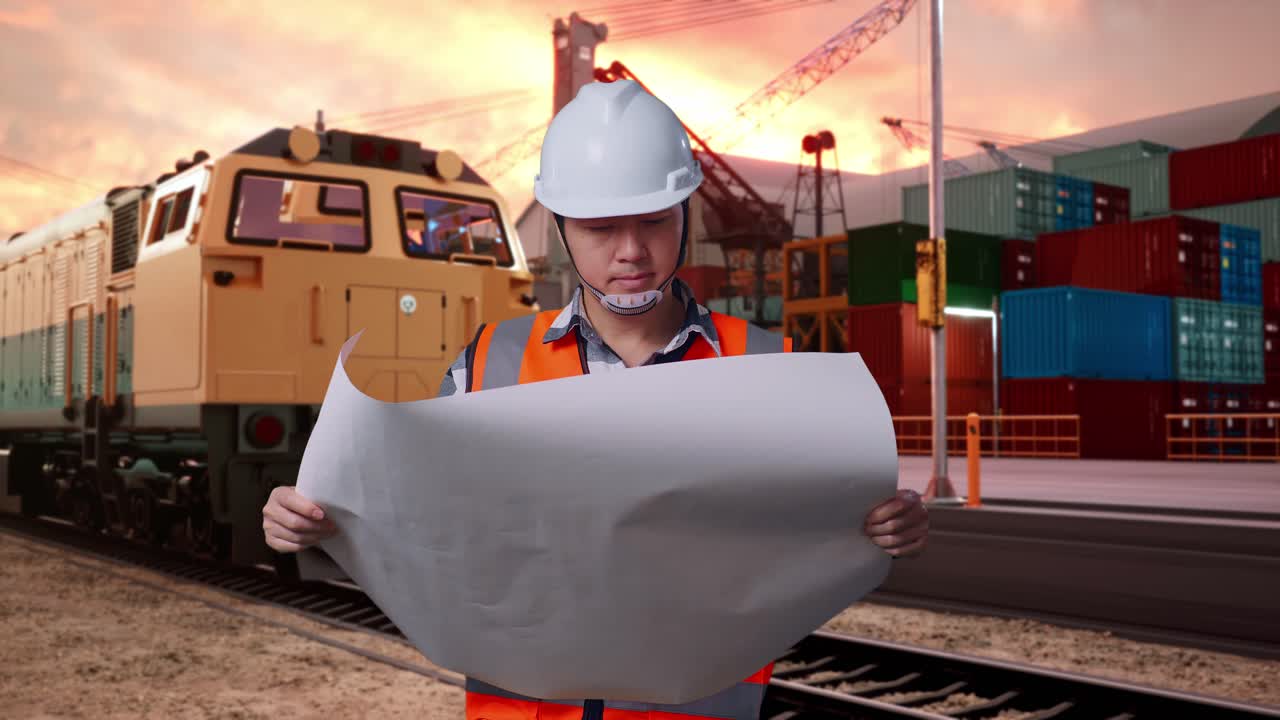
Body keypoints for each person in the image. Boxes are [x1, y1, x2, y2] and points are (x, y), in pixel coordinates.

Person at [263, 79, 929, 720]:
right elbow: (420, 531)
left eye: (654, 221)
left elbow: (818, 538)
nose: (631, 251)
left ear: (685, 214)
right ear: (560, 229)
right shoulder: (486, 364)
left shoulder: (769, 368)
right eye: (600, 228)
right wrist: (317, 529)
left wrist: (882, 534)